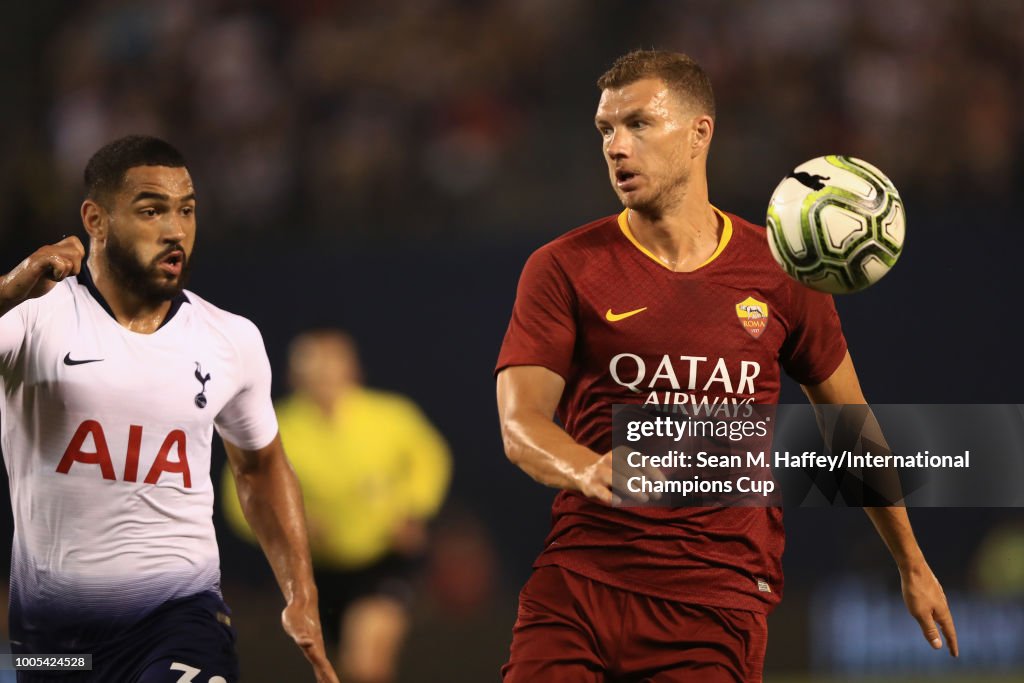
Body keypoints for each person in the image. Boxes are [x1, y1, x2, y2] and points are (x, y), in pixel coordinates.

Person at [495, 50, 958, 682]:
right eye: (606, 129)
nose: (617, 147)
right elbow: (520, 425)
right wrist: (588, 467)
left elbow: (849, 425)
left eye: (638, 124)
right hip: (581, 586)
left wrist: (911, 561)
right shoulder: (563, 267)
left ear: (699, 132)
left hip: (717, 605)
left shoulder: (781, 272)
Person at [0, 135, 338, 682]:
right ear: (96, 219)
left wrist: (301, 592)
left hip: (182, 619)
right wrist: (11, 288)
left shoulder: (231, 339)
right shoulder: (32, 319)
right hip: (53, 645)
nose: (175, 230)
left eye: (187, 210)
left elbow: (261, 466)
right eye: (152, 210)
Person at [222, 330, 451, 683]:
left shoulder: (391, 416)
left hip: (382, 559)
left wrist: (414, 510)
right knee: (336, 670)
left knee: (368, 657)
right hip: (313, 571)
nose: (324, 374)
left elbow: (430, 459)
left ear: (352, 368)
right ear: (293, 374)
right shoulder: (276, 427)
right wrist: (288, 526)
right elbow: (240, 492)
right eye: (313, 365)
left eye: (332, 362)